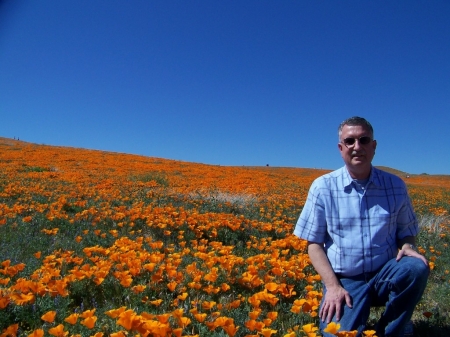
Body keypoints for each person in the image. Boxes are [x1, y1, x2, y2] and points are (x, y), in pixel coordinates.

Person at [293, 116, 429, 337]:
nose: (357, 147)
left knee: (415, 267)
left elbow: (406, 231)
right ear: (340, 148)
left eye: (364, 140)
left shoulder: (395, 185)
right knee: (337, 334)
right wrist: (333, 287)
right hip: (345, 280)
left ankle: (391, 329)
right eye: (350, 141)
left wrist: (408, 246)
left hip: (384, 273)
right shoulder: (323, 187)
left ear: (373, 147)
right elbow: (314, 244)